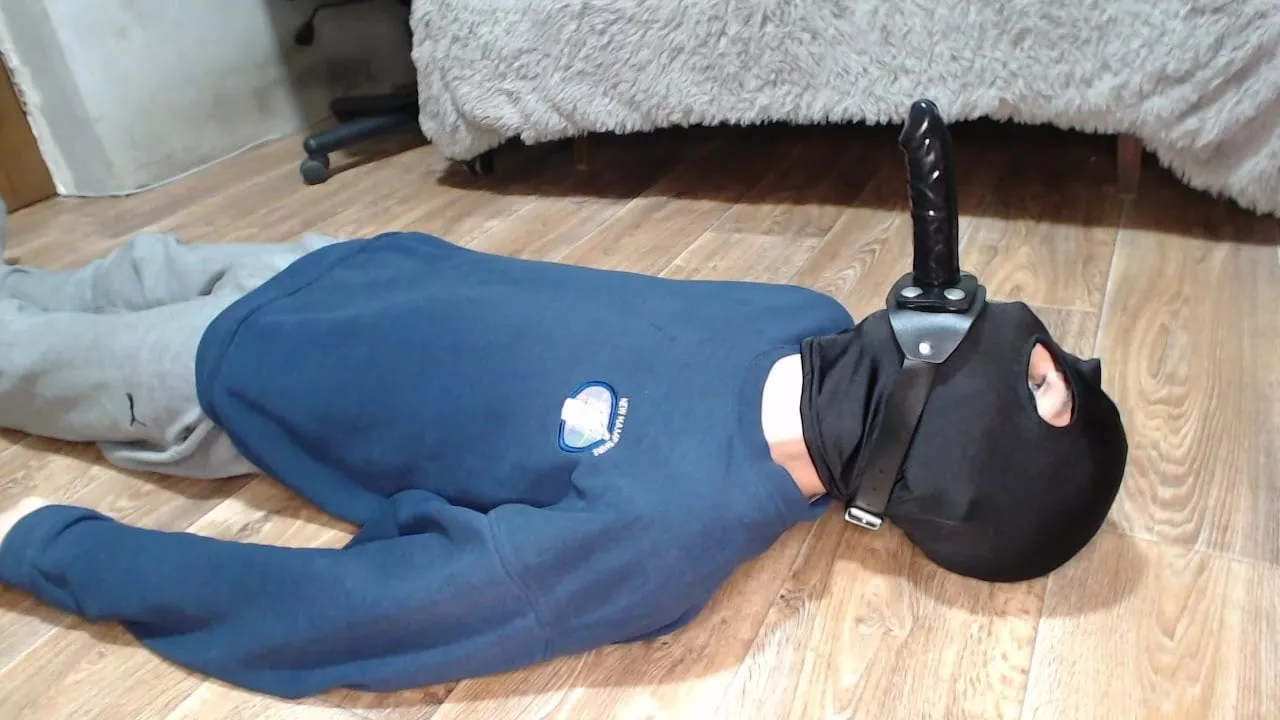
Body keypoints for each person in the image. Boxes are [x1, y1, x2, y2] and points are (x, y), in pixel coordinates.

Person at [0, 101, 1128, 699]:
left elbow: (349, 613)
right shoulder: (801, 315)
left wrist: (58, 548)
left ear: (966, 463)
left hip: (222, 380)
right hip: (334, 269)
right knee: (63, 281)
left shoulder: (663, 538)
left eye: (1038, 382)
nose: (1010, 328)